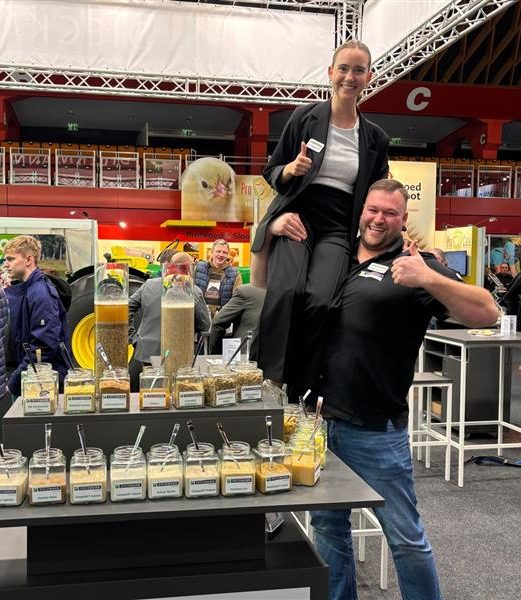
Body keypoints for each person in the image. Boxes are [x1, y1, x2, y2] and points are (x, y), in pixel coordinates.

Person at [310, 179, 499, 600]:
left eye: (390, 213)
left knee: (404, 538)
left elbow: (487, 312)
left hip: (376, 430)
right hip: (320, 424)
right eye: (373, 209)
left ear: (403, 218)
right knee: (327, 529)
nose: (379, 219)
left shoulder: (416, 263)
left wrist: (427, 278)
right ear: (362, 210)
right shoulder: (339, 257)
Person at [249, 40, 389, 391]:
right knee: (288, 291)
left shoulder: (375, 138)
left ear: (369, 77)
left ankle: (304, 384)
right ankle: (270, 377)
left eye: (359, 70)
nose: (350, 77)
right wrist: (291, 169)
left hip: (338, 225)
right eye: (343, 68)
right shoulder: (304, 118)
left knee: (322, 300)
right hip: (299, 214)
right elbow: (271, 171)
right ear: (330, 72)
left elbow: (377, 191)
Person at [3, 235, 71, 397]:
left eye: (10, 259)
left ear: (28, 260)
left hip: (42, 383)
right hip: (32, 379)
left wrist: (15, 381)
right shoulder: (28, 289)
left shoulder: (41, 293)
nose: (6, 264)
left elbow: (43, 346)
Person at [129, 251, 211, 366]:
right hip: (180, 352)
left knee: (149, 378)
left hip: (148, 351)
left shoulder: (148, 285)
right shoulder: (194, 291)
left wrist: (132, 337)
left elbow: (126, 308)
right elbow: (205, 325)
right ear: (187, 268)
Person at [209, 283, 266, 354]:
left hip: (246, 355)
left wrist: (216, 355)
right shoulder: (278, 293)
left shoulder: (246, 292)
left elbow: (218, 322)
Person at [194, 239, 242, 319]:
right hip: (199, 317)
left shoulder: (235, 274)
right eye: (218, 251)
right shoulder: (198, 268)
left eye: (224, 252)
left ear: (227, 255)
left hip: (222, 319)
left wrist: (224, 315)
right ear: (212, 252)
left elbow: (237, 299)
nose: (221, 255)